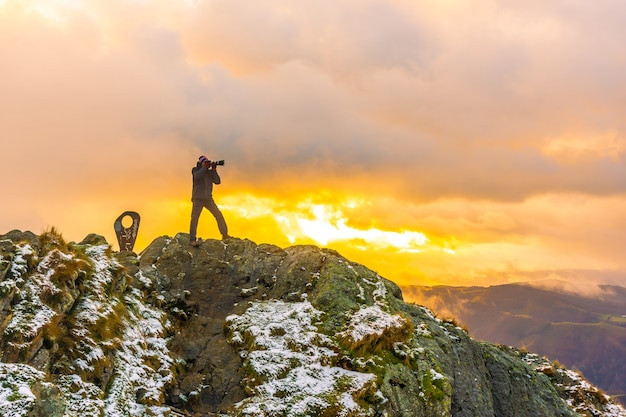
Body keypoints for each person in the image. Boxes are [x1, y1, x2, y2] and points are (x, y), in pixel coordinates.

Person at [189, 155, 230, 246]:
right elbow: (196, 177)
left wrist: (214, 170)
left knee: (218, 214)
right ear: (201, 163)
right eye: (204, 162)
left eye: (207, 162)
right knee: (195, 218)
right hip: (198, 198)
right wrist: (205, 167)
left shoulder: (208, 172)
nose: (206, 163)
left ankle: (225, 235)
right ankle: (192, 240)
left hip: (208, 199)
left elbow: (217, 181)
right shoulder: (195, 170)